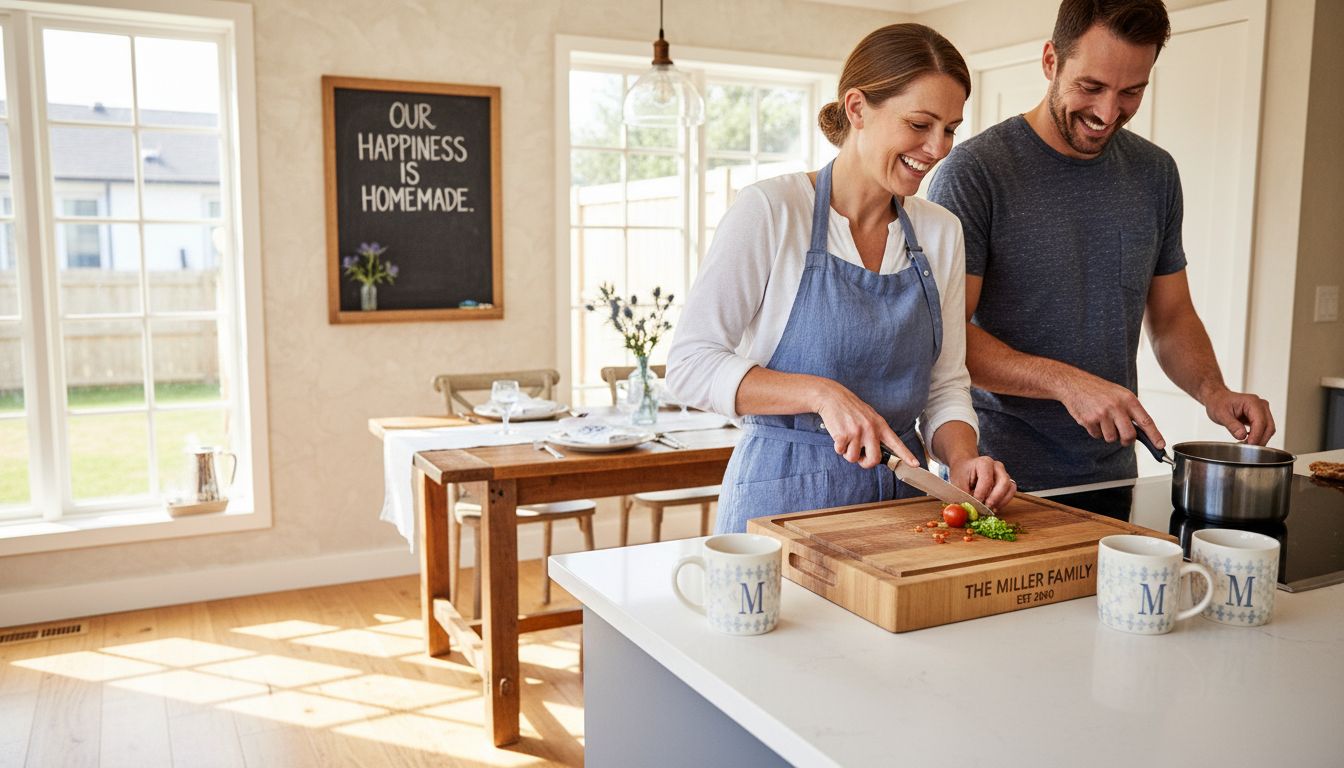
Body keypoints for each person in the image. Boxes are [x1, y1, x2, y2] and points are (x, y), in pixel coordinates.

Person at [927, 0, 1274, 515]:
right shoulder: (976, 172)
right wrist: (1068, 383)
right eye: (1090, 87)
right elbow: (944, 337)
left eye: (1131, 91)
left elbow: (1173, 317)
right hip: (995, 481)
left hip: (1113, 478)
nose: (1108, 113)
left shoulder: (1155, 174)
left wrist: (1213, 391)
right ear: (1051, 61)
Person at [667, 24, 1015, 534]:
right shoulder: (772, 210)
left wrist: (962, 459)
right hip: (779, 501)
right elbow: (690, 366)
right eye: (920, 124)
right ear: (856, 108)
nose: (938, 148)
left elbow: (944, 384)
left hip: (904, 504)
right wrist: (822, 394)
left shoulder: (940, 233)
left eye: (950, 129)